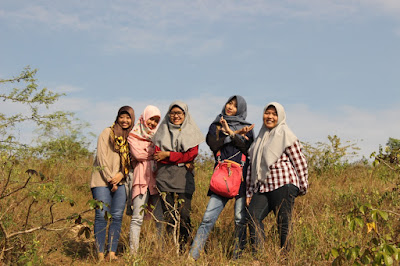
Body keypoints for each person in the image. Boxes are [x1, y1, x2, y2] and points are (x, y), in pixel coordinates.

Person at [189, 95, 254, 260]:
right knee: (207, 218)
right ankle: (192, 257)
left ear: (240, 109)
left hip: (241, 178)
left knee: (240, 220)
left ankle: (237, 258)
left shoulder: (249, 128)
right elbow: (213, 144)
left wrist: (233, 133)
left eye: (234, 105)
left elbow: (247, 150)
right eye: (229, 103)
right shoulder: (216, 125)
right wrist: (236, 134)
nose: (230, 107)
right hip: (222, 176)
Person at [246, 102, 308, 254]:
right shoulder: (259, 138)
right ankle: (259, 256)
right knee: (252, 215)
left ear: (280, 117)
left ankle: (286, 257)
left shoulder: (286, 134)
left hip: (283, 183)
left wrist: (302, 185)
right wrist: (250, 192)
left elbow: (299, 161)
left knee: (283, 221)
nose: (270, 117)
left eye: (274, 114)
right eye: (267, 113)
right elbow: (252, 167)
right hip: (263, 187)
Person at [152, 100, 204, 250]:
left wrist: (168, 154)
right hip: (164, 177)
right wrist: (181, 158)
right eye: (173, 113)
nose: (176, 116)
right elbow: (157, 155)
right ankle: (171, 247)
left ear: (185, 114)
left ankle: (184, 247)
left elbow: (191, 154)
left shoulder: (191, 130)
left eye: (179, 113)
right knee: (169, 215)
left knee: (184, 214)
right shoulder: (162, 130)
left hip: (184, 178)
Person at [90, 106, 135, 261]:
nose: (125, 120)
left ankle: (112, 253)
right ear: (117, 117)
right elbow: (101, 158)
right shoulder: (106, 133)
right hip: (102, 181)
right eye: (122, 117)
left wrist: (121, 175)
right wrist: (111, 178)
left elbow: (131, 161)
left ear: (132, 119)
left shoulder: (131, 138)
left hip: (121, 181)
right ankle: (100, 254)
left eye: (128, 117)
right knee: (101, 215)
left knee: (116, 216)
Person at [127, 105, 164, 254]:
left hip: (156, 181)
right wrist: (153, 154)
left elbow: (154, 154)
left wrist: (151, 153)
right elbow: (138, 155)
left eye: (156, 121)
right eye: (151, 119)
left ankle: (160, 250)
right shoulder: (133, 135)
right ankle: (133, 253)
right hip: (140, 180)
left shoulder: (159, 136)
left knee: (159, 218)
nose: (153, 123)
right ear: (144, 118)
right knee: (137, 218)